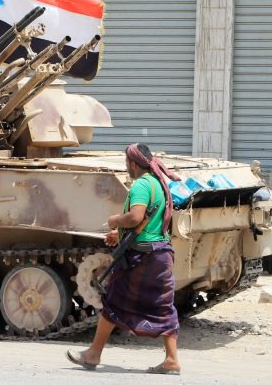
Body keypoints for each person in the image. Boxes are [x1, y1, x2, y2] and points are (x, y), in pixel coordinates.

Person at [66, 143, 182, 374]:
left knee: (114, 301)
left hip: (142, 257)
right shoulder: (157, 182)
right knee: (164, 307)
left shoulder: (141, 184)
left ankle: (93, 354)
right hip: (161, 254)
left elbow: (135, 217)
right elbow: (148, 223)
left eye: (126, 162)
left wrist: (115, 221)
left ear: (132, 163)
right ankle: (171, 360)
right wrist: (119, 235)